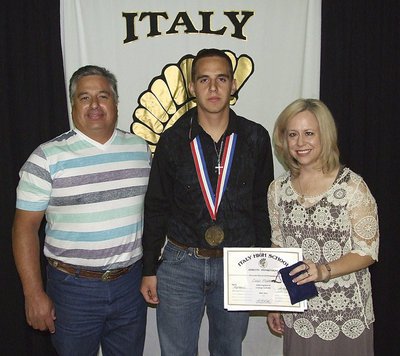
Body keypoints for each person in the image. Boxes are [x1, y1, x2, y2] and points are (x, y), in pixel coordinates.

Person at [140, 48, 274, 356]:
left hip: (237, 263)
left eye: (221, 79)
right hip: (180, 264)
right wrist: (149, 268)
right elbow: (157, 205)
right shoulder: (173, 139)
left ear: (234, 84)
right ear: (191, 87)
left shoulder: (255, 137)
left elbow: (262, 205)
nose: (213, 89)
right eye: (204, 80)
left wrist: (264, 266)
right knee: (177, 352)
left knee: (229, 350)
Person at [12, 65, 151, 356]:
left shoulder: (140, 150)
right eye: (85, 97)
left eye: (103, 96)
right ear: (73, 104)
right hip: (72, 290)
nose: (95, 105)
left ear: (115, 102)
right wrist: (33, 293)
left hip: (129, 285)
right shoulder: (46, 157)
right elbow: (24, 228)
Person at [266, 98, 379, 356]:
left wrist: (323, 271)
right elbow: (278, 246)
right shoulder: (277, 190)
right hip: (300, 313)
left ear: (324, 136)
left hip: (346, 314)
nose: (300, 142)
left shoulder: (353, 187)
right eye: (292, 134)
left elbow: (367, 252)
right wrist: (275, 302)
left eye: (309, 133)